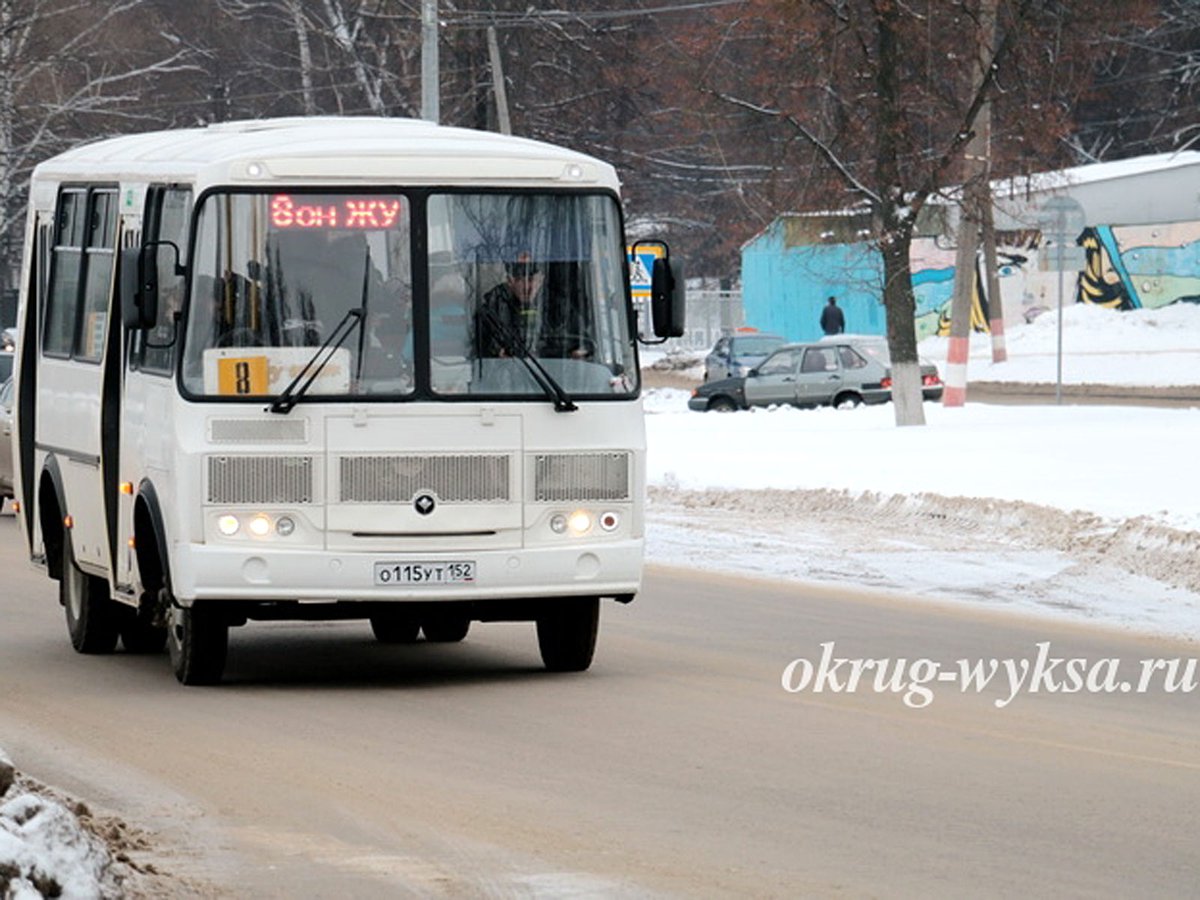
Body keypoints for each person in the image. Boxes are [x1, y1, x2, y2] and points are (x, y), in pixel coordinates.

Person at [474, 251, 589, 359]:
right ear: (509, 281)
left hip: (555, 376)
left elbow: (585, 343)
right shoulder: (492, 311)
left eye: (531, 279)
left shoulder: (561, 308)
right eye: (519, 279)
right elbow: (478, 350)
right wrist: (496, 352)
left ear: (541, 279)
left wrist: (579, 352)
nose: (526, 287)